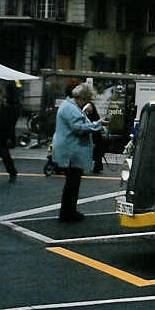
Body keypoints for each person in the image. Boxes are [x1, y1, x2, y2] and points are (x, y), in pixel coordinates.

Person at [52, 83, 108, 222]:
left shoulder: (70, 106)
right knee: (72, 184)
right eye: (87, 99)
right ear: (82, 97)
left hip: (71, 150)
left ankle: (69, 211)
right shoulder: (70, 108)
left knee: (72, 184)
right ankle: (67, 214)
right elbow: (78, 127)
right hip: (71, 151)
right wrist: (98, 124)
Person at [0, 87, 19, 182]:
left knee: (5, 156)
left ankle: (12, 173)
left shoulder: (5, 108)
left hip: (1, 134)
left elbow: (10, 124)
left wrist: (9, 137)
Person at [82, 100, 106, 173]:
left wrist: (94, 141)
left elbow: (95, 129)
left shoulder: (95, 116)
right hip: (92, 137)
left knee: (98, 154)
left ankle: (97, 167)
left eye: (89, 106)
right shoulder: (87, 115)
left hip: (96, 137)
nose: (88, 108)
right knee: (95, 154)